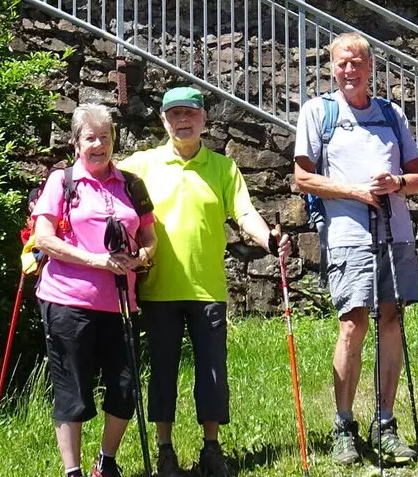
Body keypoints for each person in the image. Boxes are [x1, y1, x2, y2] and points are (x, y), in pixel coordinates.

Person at [117, 87, 289, 477]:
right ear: (163, 120)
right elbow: (104, 185)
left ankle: (212, 448)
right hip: (158, 288)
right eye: (174, 114)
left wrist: (270, 239)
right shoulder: (141, 165)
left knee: (213, 373)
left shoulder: (223, 168)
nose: (183, 120)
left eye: (190, 113)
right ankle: (165, 451)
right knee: (162, 373)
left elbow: (244, 214)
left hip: (208, 289)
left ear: (204, 119)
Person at [293, 33, 418, 466]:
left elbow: (417, 177)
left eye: (359, 63)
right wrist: (354, 191)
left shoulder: (392, 114)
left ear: (371, 66)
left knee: (392, 318)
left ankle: (385, 424)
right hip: (349, 235)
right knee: (352, 323)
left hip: (396, 231)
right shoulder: (319, 111)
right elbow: (304, 178)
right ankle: (344, 425)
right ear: (332, 67)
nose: (351, 70)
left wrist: (395, 185)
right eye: (343, 63)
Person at [31, 104, 158, 477]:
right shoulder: (62, 181)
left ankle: (107, 462)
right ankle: (73, 471)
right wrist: (96, 261)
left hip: (121, 303)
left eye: (105, 137)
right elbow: (44, 238)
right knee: (73, 390)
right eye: (90, 138)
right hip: (67, 300)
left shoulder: (131, 183)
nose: (99, 145)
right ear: (76, 143)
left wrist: (141, 258)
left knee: (124, 388)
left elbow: (150, 237)